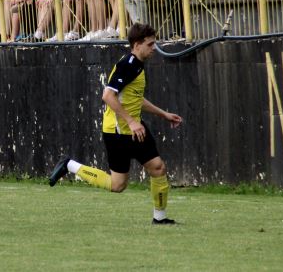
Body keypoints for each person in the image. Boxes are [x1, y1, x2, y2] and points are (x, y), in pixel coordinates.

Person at [49, 23, 183, 225]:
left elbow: (135, 98)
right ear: (137, 45)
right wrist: (131, 121)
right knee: (117, 185)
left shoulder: (137, 64)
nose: (154, 48)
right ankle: (70, 165)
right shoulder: (127, 65)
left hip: (135, 128)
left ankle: (160, 218)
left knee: (158, 168)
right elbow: (108, 96)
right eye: (150, 44)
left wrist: (163, 114)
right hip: (118, 131)